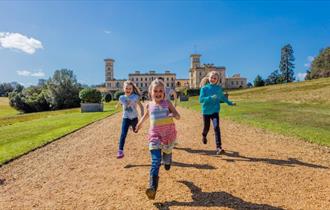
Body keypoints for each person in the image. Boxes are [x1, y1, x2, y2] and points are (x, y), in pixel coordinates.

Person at [135, 79, 180, 200]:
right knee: (155, 161)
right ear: (151, 92)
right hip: (154, 136)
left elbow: (178, 116)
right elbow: (145, 117)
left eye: (161, 91)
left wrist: (173, 115)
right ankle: (152, 187)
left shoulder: (168, 103)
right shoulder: (149, 105)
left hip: (168, 136)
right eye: (155, 90)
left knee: (166, 157)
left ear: (164, 92)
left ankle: (168, 161)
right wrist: (139, 125)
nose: (158, 93)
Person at [199, 71, 236, 155]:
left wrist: (230, 103)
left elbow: (222, 97)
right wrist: (211, 98)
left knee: (216, 127)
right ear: (209, 78)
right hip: (206, 112)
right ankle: (204, 135)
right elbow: (201, 100)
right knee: (206, 128)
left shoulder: (218, 88)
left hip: (215, 111)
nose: (213, 79)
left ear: (217, 80)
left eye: (215, 78)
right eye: (212, 77)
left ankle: (219, 147)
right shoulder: (204, 88)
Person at [116, 80, 144, 159]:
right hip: (126, 118)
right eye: (126, 88)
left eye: (130, 88)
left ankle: (132, 127)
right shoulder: (121, 97)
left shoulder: (135, 96)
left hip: (134, 117)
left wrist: (142, 115)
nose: (128, 90)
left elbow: (141, 106)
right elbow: (119, 102)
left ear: (132, 89)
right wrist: (117, 105)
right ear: (123, 88)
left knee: (136, 131)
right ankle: (120, 151)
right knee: (123, 134)